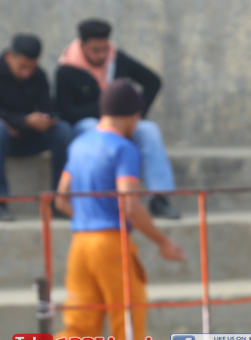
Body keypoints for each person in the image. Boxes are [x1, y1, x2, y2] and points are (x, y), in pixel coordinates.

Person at [1, 81, 186, 340]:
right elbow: (130, 204)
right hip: (111, 245)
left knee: (81, 333)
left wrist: (89, 217)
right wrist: (162, 241)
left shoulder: (80, 144)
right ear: (133, 115)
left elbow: (61, 199)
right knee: (129, 333)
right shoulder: (125, 148)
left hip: (80, 244)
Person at [56, 19, 180, 219]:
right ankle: (102, 201)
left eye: (104, 49)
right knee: (91, 128)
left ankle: (159, 199)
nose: (101, 55)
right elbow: (66, 111)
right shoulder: (66, 70)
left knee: (149, 130)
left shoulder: (117, 60)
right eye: (95, 50)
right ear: (82, 45)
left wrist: (135, 114)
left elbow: (153, 81)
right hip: (88, 125)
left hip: (122, 123)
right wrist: (106, 109)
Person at [0, 34, 74, 222]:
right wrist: (22, 121)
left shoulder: (39, 75)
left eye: (31, 67)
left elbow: (50, 108)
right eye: (22, 67)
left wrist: (46, 120)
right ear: (9, 56)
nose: (26, 73)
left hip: (27, 137)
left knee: (63, 131)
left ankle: (58, 200)